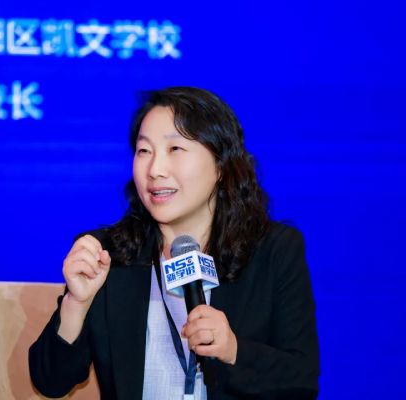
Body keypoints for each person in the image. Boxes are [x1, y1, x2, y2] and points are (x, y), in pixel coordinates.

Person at [29, 87, 319, 399]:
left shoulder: (275, 251)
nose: (155, 170)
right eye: (144, 151)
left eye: (175, 148)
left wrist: (234, 351)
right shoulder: (106, 255)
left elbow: (301, 382)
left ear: (221, 165)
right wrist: (76, 304)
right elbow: (51, 382)